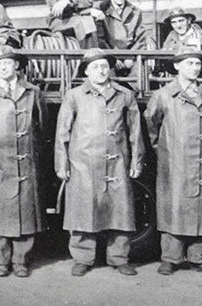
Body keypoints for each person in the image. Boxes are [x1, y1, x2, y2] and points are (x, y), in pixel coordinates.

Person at [54, 48, 145, 277]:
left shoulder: (125, 95)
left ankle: (119, 257)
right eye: (95, 66)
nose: (101, 70)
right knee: (83, 210)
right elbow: (62, 133)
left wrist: (136, 160)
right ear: (86, 71)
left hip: (117, 161)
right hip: (83, 163)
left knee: (120, 210)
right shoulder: (74, 95)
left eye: (104, 66)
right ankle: (83, 257)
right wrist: (61, 164)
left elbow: (135, 132)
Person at [145, 47, 202, 277]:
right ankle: (170, 258)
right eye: (189, 63)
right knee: (173, 206)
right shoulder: (163, 95)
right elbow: (151, 124)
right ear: (177, 66)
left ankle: (199, 258)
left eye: (197, 64)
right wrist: (166, 151)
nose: (195, 68)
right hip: (175, 160)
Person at [0, 45, 48, 278]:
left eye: (8, 62)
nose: (4, 67)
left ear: (17, 65)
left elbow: (42, 124)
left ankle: (21, 260)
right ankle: (1, 261)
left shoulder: (33, 92)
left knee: (25, 212)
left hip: (26, 160)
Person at [97, 0, 156, 74]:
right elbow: (100, 39)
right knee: (106, 73)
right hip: (108, 54)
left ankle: (138, 89)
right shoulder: (101, 10)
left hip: (130, 54)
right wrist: (112, 58)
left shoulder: (135, 11)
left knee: (140, 74)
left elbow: (140, 37)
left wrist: (131, 57)